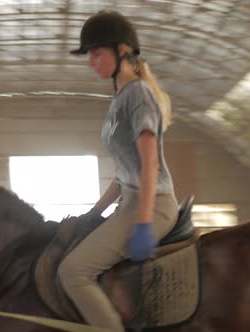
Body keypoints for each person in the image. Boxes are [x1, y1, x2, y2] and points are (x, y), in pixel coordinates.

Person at [57, 10, 179, 331]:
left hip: (151, 206)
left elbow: (149, 163)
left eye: (96, 53)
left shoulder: (138, 94)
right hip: (130, 203)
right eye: (89, 55)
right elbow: (125, 171)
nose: (91, 61)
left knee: (72, 271)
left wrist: (142, 223)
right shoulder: (118, 100)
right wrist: (94, 212)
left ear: (122, 51)